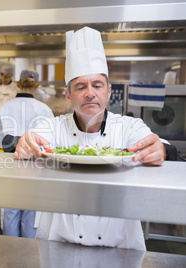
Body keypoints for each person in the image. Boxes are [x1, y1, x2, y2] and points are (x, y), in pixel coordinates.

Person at [13, 27, 172, 251]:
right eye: (80, 86)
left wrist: (161, 150)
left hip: (120, 249)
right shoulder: (52, 126)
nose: (90, 93)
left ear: (108, 91)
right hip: (58, 246)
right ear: (68, 95)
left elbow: (155, 144)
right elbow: (37, 137)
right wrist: (27, 142)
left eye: (97, 85)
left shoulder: (128, 126)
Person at [0, 69, 54, 238]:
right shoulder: (45, 110)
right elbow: (50, 143)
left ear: (18, 85)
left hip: (10, 167)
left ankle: (10, 256)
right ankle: (30, 257)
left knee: (10, 212)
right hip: (36, 168)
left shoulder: (4, 108)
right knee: (31, 213)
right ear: (37, 86)